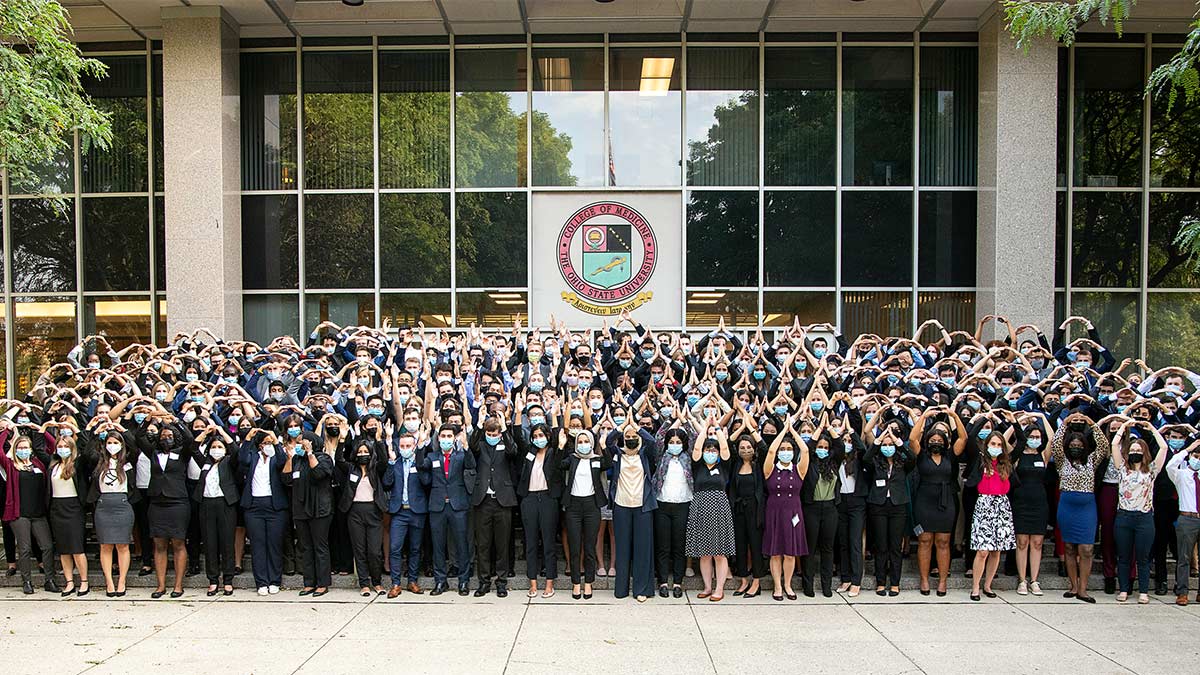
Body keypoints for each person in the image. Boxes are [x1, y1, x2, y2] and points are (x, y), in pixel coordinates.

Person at [1052, 412, 1110, 603]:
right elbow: (1055, 443)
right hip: (1067, 506)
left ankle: (1083, 589)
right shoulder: (1062, 462)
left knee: (1086, 548)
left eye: (1079, 445)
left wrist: (1091, 423)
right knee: (1068, 547)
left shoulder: (1092, 461)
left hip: (1086, 508)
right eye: (1073, 445)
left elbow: (1103, 446)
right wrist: (1066, 422)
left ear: (1085, 447)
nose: (1075, 447)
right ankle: (1073, 586)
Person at [908, 407, 966, 596]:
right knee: (924, 540)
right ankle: (924, 579)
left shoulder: (950, 455)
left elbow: (963, 439)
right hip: (924, 501)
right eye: (933, 440)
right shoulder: (921, 454)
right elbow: (912, 439)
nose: (936, 443)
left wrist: (954, 415)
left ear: (945, 442)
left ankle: (942, 581)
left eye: (940, 441)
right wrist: (924, 416)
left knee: (943, 541)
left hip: (945, 501)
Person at [1110, 419, 1168, 604]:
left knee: (1143, 558)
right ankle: (1124, 590)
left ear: (1144, 453)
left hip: (1144, 518)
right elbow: (1114, 444)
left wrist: (1151, 428)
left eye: (1138, 451)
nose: (1135, 453)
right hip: (1124, 517)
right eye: (1132, 450)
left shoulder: (1151, 470)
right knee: (1124, 556)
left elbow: (1164, 448)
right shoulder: (1122, 468)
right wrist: (1124, 426)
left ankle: (1143, 591)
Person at [0, 429, 59, 594]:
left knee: (47, 546)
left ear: (31, 449)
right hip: (20, 514)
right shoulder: (11, 465)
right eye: (20, 447)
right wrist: (7, 430)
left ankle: (49, 579)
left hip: (39, 513)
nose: (23, 450)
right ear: (15, 450)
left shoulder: (39, 464)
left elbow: (54, 446)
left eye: (26, 447)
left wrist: (43, 430)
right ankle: (26, 581)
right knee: (25, 549)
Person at [141, 420, 195, 598]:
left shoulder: (182, 453)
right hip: (157, 502)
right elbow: (139, 437)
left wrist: (175, 422)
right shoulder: (154, 453)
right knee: (159, 544)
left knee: (178, 543)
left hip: (178, 502)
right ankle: (160, 585)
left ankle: (178, 585)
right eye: (163, 435)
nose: (166, 438)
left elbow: (189, 439)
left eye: (170, 436)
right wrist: (150, 418)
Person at [685, 418, 735, 601]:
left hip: (719, 508)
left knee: (719, 552)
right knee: (704, 553)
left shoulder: (723, 466)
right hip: (700, 507)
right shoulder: (698, 466)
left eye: (713, 450)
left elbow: (725, 449)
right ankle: (707, 587)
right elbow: (696, 450)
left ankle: (719, 589)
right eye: (708, 450)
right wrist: (704, 429)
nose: (711, 452)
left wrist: (717, 430)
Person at [468, 417, 518, 598]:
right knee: (483, 544)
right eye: (489, 434)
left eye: (494, 434)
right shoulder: (480, 445)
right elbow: (472, 444)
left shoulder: (505, 444)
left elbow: (514, 451)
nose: (491, 436)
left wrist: (504, 429)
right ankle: (484, 582)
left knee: (502, 544)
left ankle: (501, 582)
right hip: (483, 501)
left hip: (502, 501)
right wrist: (480, 425)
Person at [609, 421, 658, 602]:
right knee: (622, 548)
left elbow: (652, 442)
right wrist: (621, 428)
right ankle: (621, 589)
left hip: (642, 506)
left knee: (643, 548)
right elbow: (608, 442)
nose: (630, 439)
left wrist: (636, 428)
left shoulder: (645, 455)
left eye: (633, 437)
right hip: (621, 505)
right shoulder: (618, 455)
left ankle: (641, 589)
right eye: (627, 437)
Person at [282, 430, 334, 597]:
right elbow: (286, 479)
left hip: (319, 509)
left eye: (302, 442)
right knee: (305, 547)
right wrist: (290, 457)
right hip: (300, 509)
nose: (299, 445)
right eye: (297, 443)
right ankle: (309, 582)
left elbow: (319, 474)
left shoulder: (323, 457)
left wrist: (310, 452)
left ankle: (322, 583)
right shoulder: (297, 460)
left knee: (320, 546)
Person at [425, 424, 475, 596]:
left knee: (462, 544)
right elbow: (420, 466)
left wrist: (467, 447)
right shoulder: (432, 457)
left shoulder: (461, 456)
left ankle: (464, 581)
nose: (446, 439)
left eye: (449, 436)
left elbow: (471, 465)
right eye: (443, 436)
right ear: (438, 438)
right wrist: (419, 446)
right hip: (437, 506)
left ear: (454, 438)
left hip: (458, 505)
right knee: (438, 545)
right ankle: (440, 581)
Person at [966, 430, 1016, 601]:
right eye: (993, 444)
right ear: (987, 445)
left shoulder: (1006, 465)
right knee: (983, 551)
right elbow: (970, 482)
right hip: (984, 505)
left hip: (1002, 506)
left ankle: (988, 585)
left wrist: (1010, 426)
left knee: (996, 550)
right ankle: (975, 588)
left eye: (999, 445)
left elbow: (1016, 483)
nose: (996, 447)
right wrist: (982, 473)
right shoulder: (980, 462)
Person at [865, 425, 914, 597]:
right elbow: (866, 458)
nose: (888, 447)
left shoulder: (902, 463)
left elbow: (912, 457)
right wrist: (878, 441)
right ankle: (880, 582)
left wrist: (898, 442)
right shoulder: (876, 462)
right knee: (881, 546)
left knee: (895, 546)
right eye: (885, 445)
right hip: (878, 506)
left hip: (898, 506)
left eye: (889, 444)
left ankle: (894, 582)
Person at [762, 420, 809, 601]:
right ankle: (777, 586)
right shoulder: (771, 469)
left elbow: (805, 451)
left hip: (793, 513)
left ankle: (788, 585)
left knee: (790, 553)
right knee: (775, 553)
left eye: (789, 449)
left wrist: (792, 432)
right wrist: (782, 432)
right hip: (774, 512)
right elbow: (771, 451)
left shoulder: (799, 469)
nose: (786, 452)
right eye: (784, 449)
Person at [89, 428, 138, 597]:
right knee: (105, 545)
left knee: (123, 545)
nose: (112, 446)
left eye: (116, 443)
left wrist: (121, 429)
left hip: (122, 505)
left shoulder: (127, 461)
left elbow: (134, 443)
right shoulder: (99, 461)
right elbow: (87, 451)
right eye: (109, 443)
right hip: (103, 506)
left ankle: (122, 581)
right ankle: (109, 582)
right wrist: (95, 431)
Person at [561, 428, 610, 599]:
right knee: (575, 547)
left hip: (591, 506)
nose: (583, 445)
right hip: (573, 506)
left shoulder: (597, 459)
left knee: (590, 547)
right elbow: (557, 465)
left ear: (592, 443)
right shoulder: (572, 459)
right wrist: (560, 447)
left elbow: (609, 464)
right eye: (580, 442)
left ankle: (588, 582)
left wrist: (603, 446)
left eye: (586, 441)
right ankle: (576, 583)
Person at [339, 431, 389, 597]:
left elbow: (384, 461)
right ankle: (364, 584)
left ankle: (377, 582)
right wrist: (341, 440)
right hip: (354, 512)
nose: (362, 454)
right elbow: (339, 460)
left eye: (365, 452)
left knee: (374, 551)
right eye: (359, 452)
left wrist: (380, 440)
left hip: (373, 512)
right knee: (359, 550)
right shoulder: (351, 469)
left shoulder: (376, 469)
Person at [240, 430, 289, 596]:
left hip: (274, 506)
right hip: (254, 506)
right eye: (265, 443)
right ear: (260, 445)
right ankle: (261, 581)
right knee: (258, 544)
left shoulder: (277, 457)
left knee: (274, 544)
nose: (268, 445)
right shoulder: (254, 456)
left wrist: (276, 442)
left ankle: (275, 580)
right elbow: (242, 458)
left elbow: (283, 461)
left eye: (270, 442)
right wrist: (248, 439)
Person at [516, 421, 562, 598]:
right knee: (531, 542)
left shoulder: (553, 452)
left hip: (548, 499)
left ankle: (549, 583)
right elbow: (518, 436)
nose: (538, 439)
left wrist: (555, 414)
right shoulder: (529, 453)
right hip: (529, 499)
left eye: (541, 435)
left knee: (549, 542)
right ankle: (532, 583)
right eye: (535, 436)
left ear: (548, 436)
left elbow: (559, 439)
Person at [193, 427, 240, 596]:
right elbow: (193, 447)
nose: (216, 450)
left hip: (225, 504)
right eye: (214, 447)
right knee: (210, 543)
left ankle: (228, 580)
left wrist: (222, 431)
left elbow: (235, 449)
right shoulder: (205, 462)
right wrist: (206, 433)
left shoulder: (229, 461)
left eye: (220, 447)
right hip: (206, 504)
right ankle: (213, 580)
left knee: (227, 543)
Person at [1010, 415, 1052, 597]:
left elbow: (1053, 438)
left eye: (1037, 437)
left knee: (1037, 542)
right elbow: (1003, 440)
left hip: (1039, 502)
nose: (1035, 440)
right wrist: (1016, 423)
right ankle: (1022, 580)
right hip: (1020, 501)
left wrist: (1042, 417)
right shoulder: (1017, 455)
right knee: (1022, 542)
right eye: (1031, 436)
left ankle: (1034, 580)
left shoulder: (1042, 454)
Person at [47, 435, 93, 596]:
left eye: (65, 446)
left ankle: (84, 581)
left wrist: (81, 431)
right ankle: (69, 582)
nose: (62, 449)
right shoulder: (53, 465)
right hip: (56, 508)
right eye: (59, 446)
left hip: (73, 508)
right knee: (63, 549)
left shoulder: (77, 464)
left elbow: (87, 449)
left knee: (76, 547)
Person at [384, 431, 429, 597]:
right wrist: (390, 460)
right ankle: (395, 584)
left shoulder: (420, 462)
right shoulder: (394, 463)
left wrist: (420, 461)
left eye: (408, 446)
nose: (405, 449)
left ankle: (412, 581)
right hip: (399, 511)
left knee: (415, 548)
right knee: (395, 548)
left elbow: (426, 481)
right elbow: (387, 483)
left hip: (417, 511)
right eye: (402, 446)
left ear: (414, 446)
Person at [653, 426, 693, 598]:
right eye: (672, 442)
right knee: (663, 546)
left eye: (678, 442)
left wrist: (685, 420)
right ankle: (662, 582)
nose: (675, 445)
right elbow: (657, 438)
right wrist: (670, 420)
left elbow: (695, 437)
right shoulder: (662, 457)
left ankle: (678, 582)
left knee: (679, 546)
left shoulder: (689, 458)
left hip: (683, 504)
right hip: (662, 504)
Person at [728, 432, 765, 598]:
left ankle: (756, 582)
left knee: (755, 546)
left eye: (749, 447)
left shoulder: (759, 464)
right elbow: (729, 444)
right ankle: (743, 580)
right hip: (738, 509)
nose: (745, 450)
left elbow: (764, 448)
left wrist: (749, 426)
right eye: (742, 447)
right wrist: (741, 427)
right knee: (740, 545)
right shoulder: (735, 465)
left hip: (755, 509)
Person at [1166, 438, 1200, 605]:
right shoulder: (1182, 474)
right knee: (1184, 557)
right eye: (1196, 455)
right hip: (1187, 518)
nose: (1198, 459)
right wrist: (1188, 449)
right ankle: (1182, 592)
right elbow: (1170, 465)